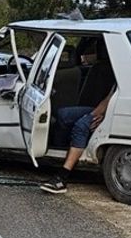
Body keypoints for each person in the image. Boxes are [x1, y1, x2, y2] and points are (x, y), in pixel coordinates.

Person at [40, 38, 116, 194]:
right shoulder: (105, 68)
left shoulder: (125, 70)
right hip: (100, 108)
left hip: (110, 111)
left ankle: (62, 177)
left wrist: (95, 115)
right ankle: (61, 149)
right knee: (63, 114)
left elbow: (110, 99)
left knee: (81, 126)